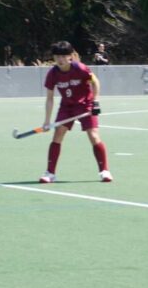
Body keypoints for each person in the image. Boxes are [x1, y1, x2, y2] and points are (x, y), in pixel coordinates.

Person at [40, 41, 112, 183]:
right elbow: (49, 99)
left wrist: (95, 101)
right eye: (57, 57)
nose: (60, 60)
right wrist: (47, 121)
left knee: (93, 135)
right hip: (67, 107)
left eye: (63, 56)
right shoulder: (52, 73)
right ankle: (50, 173)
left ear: (70, 56)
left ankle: (104, 171)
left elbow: (95, 82)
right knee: (58, 134)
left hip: (85, 105)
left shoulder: (80, 68)